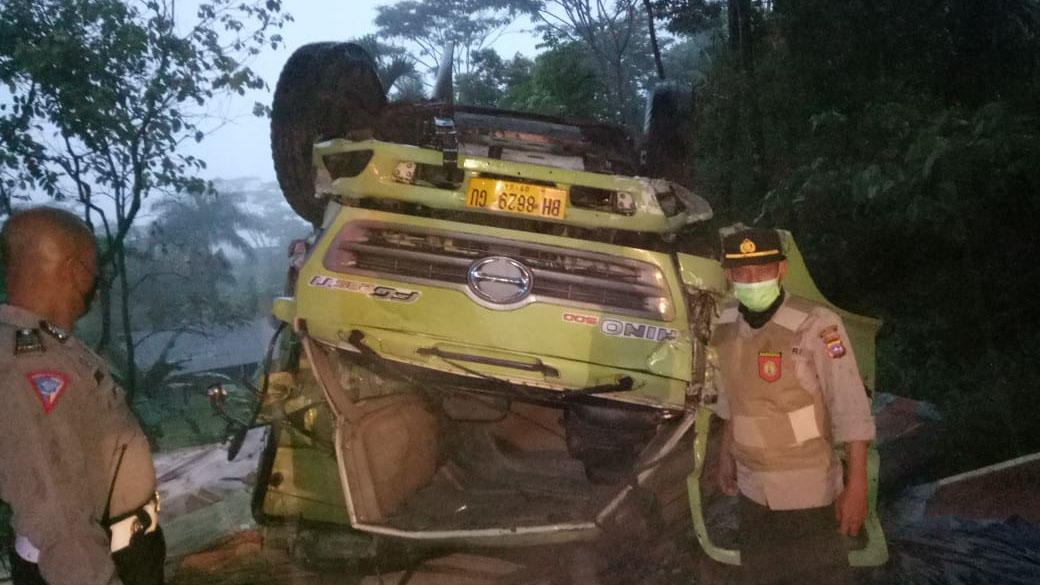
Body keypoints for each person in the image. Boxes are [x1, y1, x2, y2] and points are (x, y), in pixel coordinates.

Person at [0, 207, 165, 585]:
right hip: (96, 564)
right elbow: (54, 509)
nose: (94, 282)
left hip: (121, 547)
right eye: (92, 270)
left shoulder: (51, 345)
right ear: (76, 271)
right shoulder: (28, 368)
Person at [711, 227, 875, 585]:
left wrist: (857, 485)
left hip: (808, 491)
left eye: (763, 271)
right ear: (729, 275)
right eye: (743, 273)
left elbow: (850, 403)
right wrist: (725, 454)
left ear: (782, 270)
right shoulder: (725, 324)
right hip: (753, 489)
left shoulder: (818, 324)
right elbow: (733, 396)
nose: (753, 280)